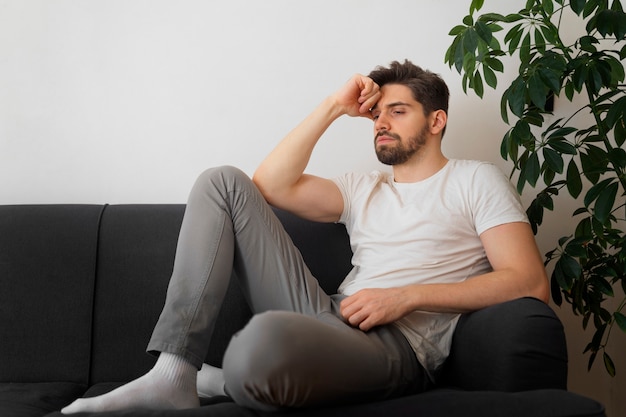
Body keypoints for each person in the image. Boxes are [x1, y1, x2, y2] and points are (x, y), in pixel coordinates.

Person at [61, 60, 549, 414]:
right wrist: (335, 107)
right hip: (328, 314)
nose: (380, 121)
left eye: (397, 111)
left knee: (259, 347)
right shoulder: (364, 186)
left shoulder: (474, 179)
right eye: (377, 113)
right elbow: (269, 183)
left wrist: (406, 297)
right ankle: (175, 372)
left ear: (436, 120)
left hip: (396, 346)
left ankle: (228, 378)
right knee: (222, 180)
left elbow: (528, 282)